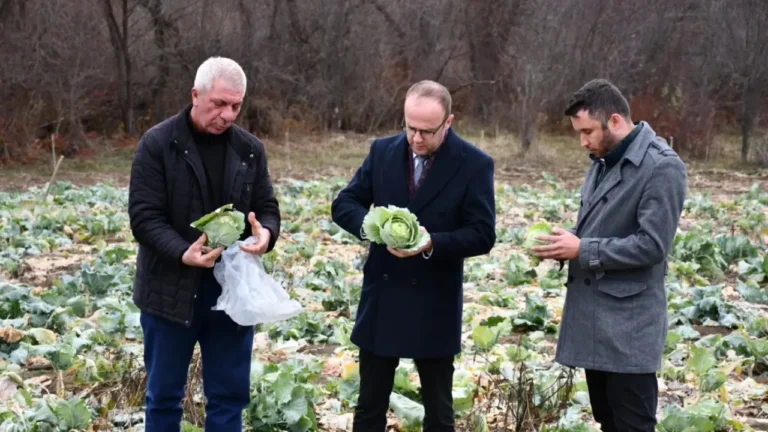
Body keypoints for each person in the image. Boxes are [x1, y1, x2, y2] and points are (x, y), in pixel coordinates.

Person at [331, 80, 497, 431]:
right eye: (410, 128)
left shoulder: (474, 164)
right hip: (383, 294)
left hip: (434, 298)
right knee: (369, 407)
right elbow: (344, 203)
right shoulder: (382, 152)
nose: (417, 139)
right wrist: (374, 227)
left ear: (448, 123)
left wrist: (431, 243)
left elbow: (482, 234)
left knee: (439, 411)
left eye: (427, 131)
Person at [128, 56, 281, 432]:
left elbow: (266, 207)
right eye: (219, 104)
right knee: (163, 398)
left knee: (228, 398)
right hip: (169, 292)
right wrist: (183, 252)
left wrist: (266, 235)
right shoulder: (158, 144)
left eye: (236, 106)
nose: (228, 114)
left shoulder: (250, 149)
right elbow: (144, 217)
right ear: (196, 95)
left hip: (230, 293)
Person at [532, 78, 687, 432]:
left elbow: (653, 245)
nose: (583, 141)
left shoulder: (662, 167)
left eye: (588, 131)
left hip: (629, 329)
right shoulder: (602, 160)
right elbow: (602, 229)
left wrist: (582, 248)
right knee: (608, 421)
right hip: (593, 322)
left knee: (633, 424)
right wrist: (567, 242)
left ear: (615, 121)